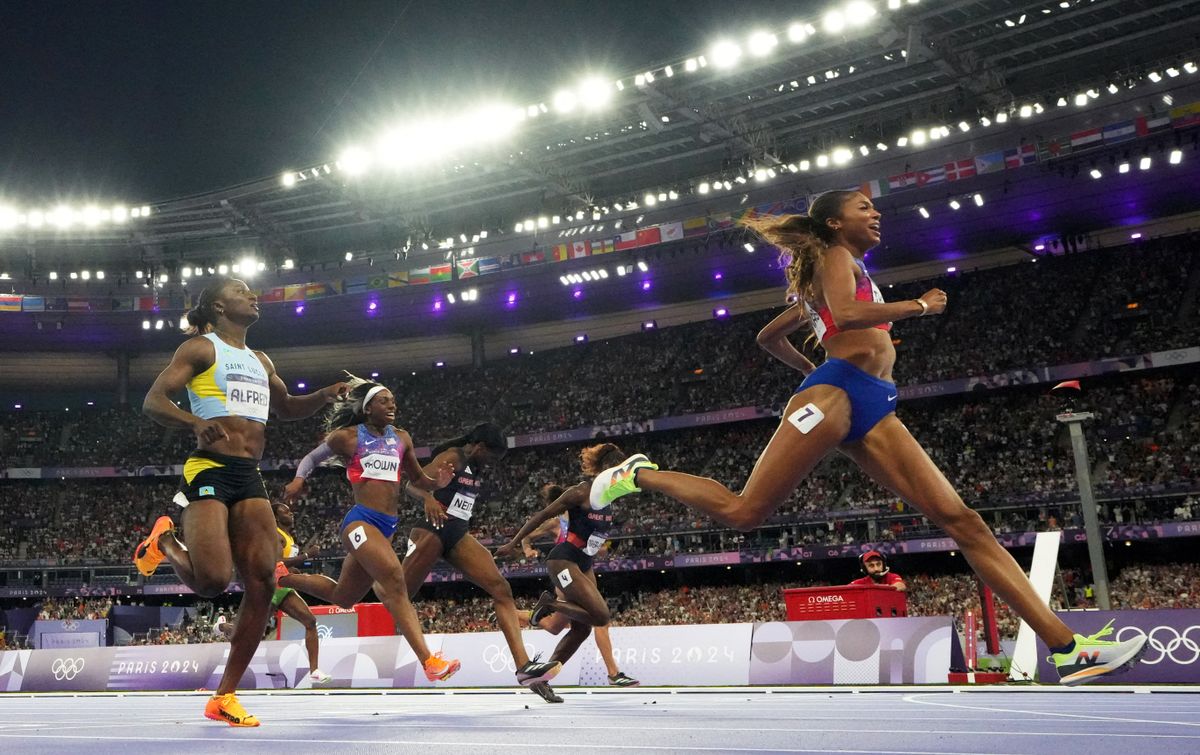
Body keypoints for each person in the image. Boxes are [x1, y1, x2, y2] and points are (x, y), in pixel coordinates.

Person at [590, 191, 1148, 686]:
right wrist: (915, 308)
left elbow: (771, 335)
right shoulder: (839, 258)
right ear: (835, 223)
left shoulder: (837, 263)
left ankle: (1068, 649)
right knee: (743, 514)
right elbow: (847, 313)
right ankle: (636, 474)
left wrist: (813, 364)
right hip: (836, 393)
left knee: (965, 523)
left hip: (872, 402)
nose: (876, 213)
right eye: (864, 208)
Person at [133, 276, 349, 726]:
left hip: (249, 475)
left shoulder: (259, 358)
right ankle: (166, 541)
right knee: (212, 581)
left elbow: (286, 407)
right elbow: (153, 401)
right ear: (217, 304)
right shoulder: (201, 349)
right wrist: (193, 422)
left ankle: (224, 696)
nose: (253, 296)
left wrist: (327, 394)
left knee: (264, 583)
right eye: (241, 290)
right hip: (209, 469)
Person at [279, 379, 461, 684]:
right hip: (359, 522)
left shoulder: (402, 438)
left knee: (344, 597)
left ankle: (281, 576)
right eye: (384, 401)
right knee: (394, 579)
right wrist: (299, 480)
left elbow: (418, 480)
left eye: (393, 400)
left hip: (387, 527)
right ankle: (429, 660)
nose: (392, 405)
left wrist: (437, 484)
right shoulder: (348, 437)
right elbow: (312, 458)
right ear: (367, 408)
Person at [399, 424, 563, 700]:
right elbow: (411, 484)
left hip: (456, 534)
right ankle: (429, 660)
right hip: (432, 529)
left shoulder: (475, 467)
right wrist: (427, 497)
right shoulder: (452, 457)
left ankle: (524, 667)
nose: (493, 462)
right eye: (492, 456)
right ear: (479, 447)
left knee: (501, 589)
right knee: (398, 594)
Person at [495, 444, 635, 690]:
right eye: (617, 472)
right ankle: (548, 604)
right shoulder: (581, 492)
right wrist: (515, 543)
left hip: (584, 564)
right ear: (605, 472)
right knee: (601, 615)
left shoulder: (610, 499)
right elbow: (540, 516)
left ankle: (542, 678)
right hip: (563, 561)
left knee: (581, 630)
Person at [518, 484, 639, 687]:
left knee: (556, 626)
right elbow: (528, 535)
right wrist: (527, 548)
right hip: (566, 570)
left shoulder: (585, 515)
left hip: (582, 568)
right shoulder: (556, 521)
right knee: (598, 619)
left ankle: (516, 615)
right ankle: (613, 673)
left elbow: (593, 544)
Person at [268, 502, 331, 684]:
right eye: (285, 511)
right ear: (276, 517)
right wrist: (307, 556)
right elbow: (277, 562)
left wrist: (293, 571)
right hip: (269, 588)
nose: (291, 513)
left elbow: (284, 566)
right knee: (248, 634)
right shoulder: (276, 535)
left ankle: (314, 670)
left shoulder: (288, 537)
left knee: (310, 621)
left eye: (290, 510)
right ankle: (223, 627)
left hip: (284, 587)